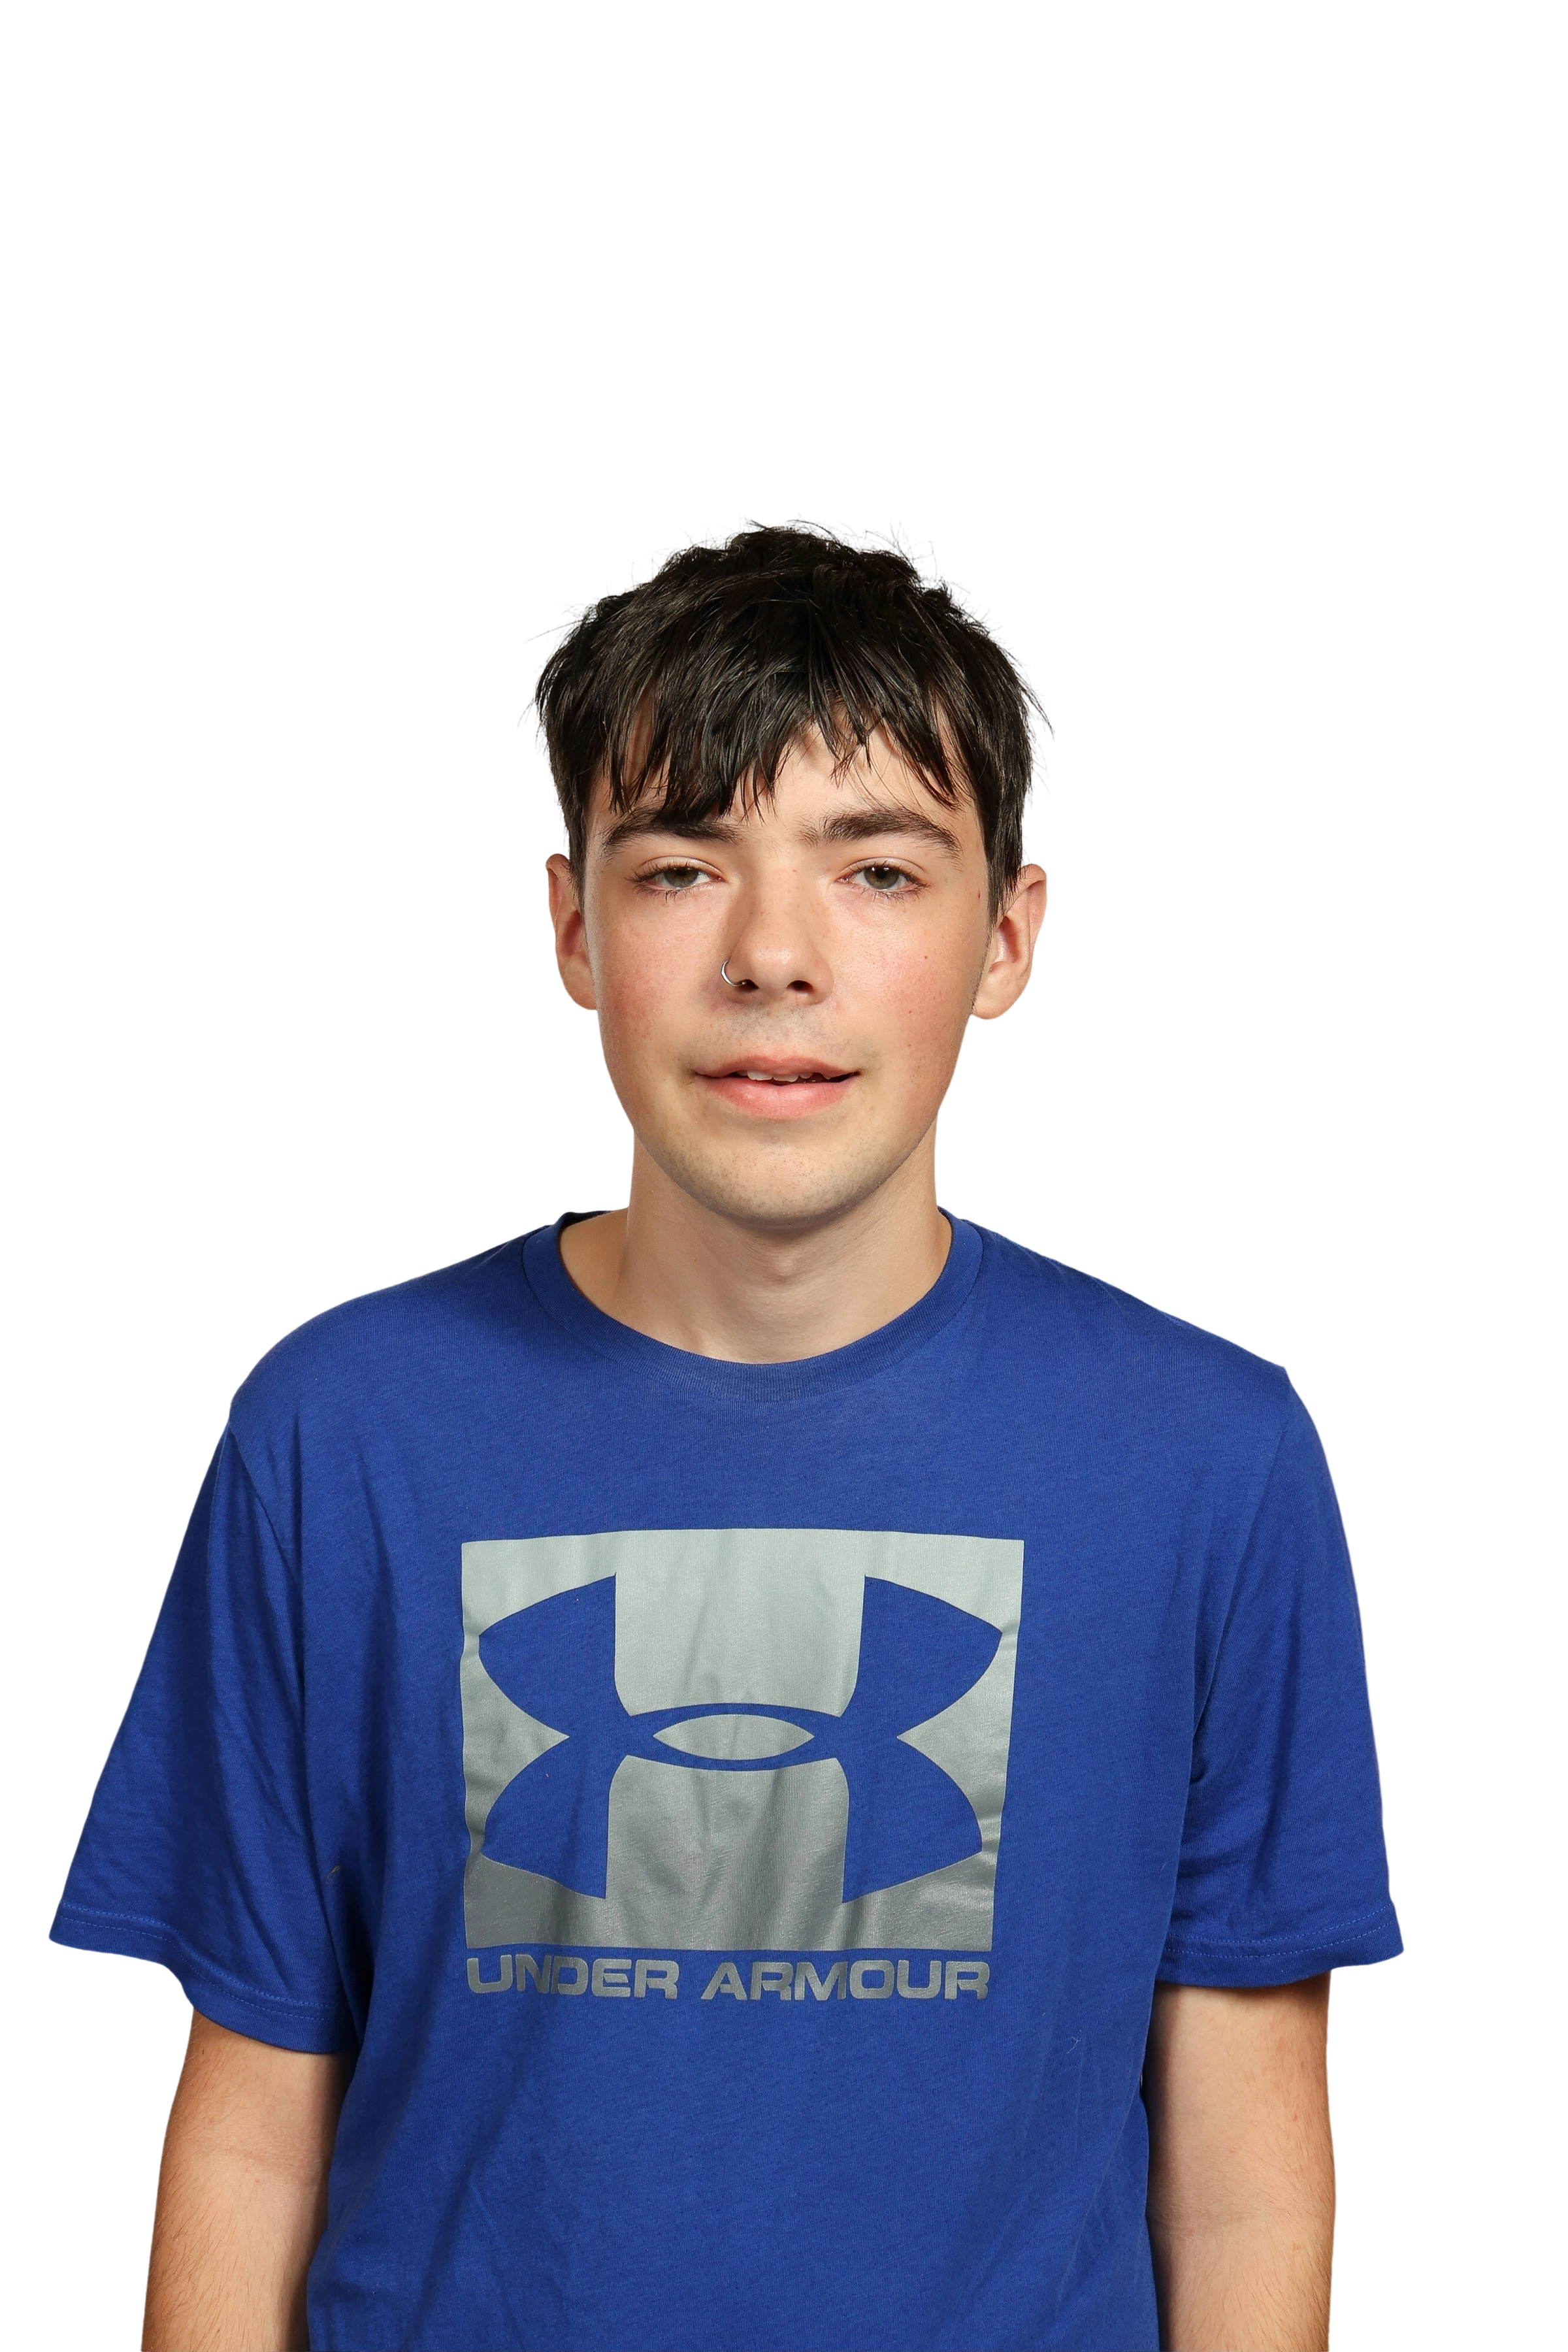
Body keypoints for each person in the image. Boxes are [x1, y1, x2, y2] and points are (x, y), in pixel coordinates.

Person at [48, 515, 1403, 2352]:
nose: (775, 954)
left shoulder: (1205, 1455)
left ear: (1008, 935)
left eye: (879, 871)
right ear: (571, 925)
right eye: (684, 867)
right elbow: (252, 2129)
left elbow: (1243, 2178)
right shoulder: (340, 1430)